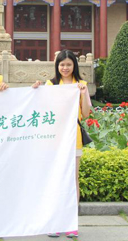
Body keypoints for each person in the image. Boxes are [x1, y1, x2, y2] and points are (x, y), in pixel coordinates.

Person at [32, 50, 92, 238]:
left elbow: (86, 113)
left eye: (68, 64)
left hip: (74, 137)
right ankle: (55, 222)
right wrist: (36, 90)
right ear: (57, 66)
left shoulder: (81, 85)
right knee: (55, 178)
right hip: (54, 138)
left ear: (74, 66)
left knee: (73, 179)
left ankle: (71, 222)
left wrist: (83, 95)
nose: (65, 68)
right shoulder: (51, 85)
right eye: (62, 64)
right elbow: (43, 109)